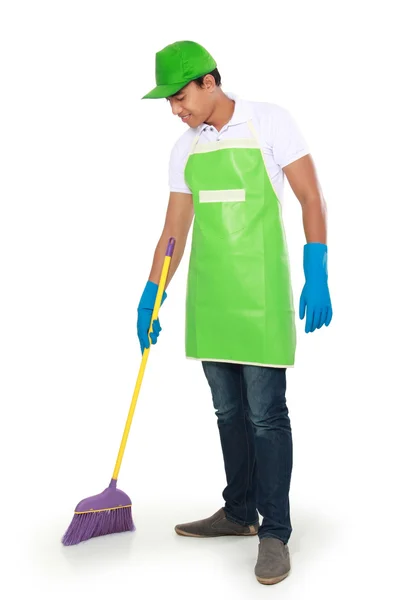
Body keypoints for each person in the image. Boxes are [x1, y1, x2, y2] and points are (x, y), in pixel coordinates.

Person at [137, 40, 332, 585]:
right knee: (227, 413)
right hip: (210, 299)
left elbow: (310, 198)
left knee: (267, 416)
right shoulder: (185, 149)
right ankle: (240, 512)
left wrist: (316, 270)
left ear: (208, 81)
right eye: (169, 103)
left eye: (180, 97)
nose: (176, 110)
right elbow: (174, 232)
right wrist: (151, 293)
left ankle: (275, 532)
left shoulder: (269, 123)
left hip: (262, 297)